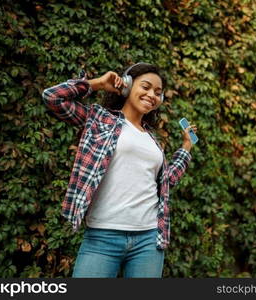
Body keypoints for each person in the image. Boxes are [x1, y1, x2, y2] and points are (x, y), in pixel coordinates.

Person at [42, 62, 197, 278]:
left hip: (149, 238)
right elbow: (53, 98)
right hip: (102, 236)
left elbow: (166, 181)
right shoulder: (100, 120)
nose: (152, 95)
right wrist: (97, 84)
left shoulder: (153, 139)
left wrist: (186, 147)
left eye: (158, 93)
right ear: (127, 86)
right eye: (146, 87)